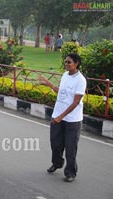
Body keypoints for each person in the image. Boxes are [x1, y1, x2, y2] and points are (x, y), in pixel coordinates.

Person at [38, 53, 86, 182]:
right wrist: (49, 84)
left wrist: (61, 116)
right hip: (57, 116)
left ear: (76, 64)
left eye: (69, 62)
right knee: (55, 144)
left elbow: (76, 102)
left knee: (71, 147)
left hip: (72, 120)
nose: (66, 64)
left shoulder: (81, 80)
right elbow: (62, 92)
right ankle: (57, 163)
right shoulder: (65, 75)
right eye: (65, 62)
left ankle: (70, 172)